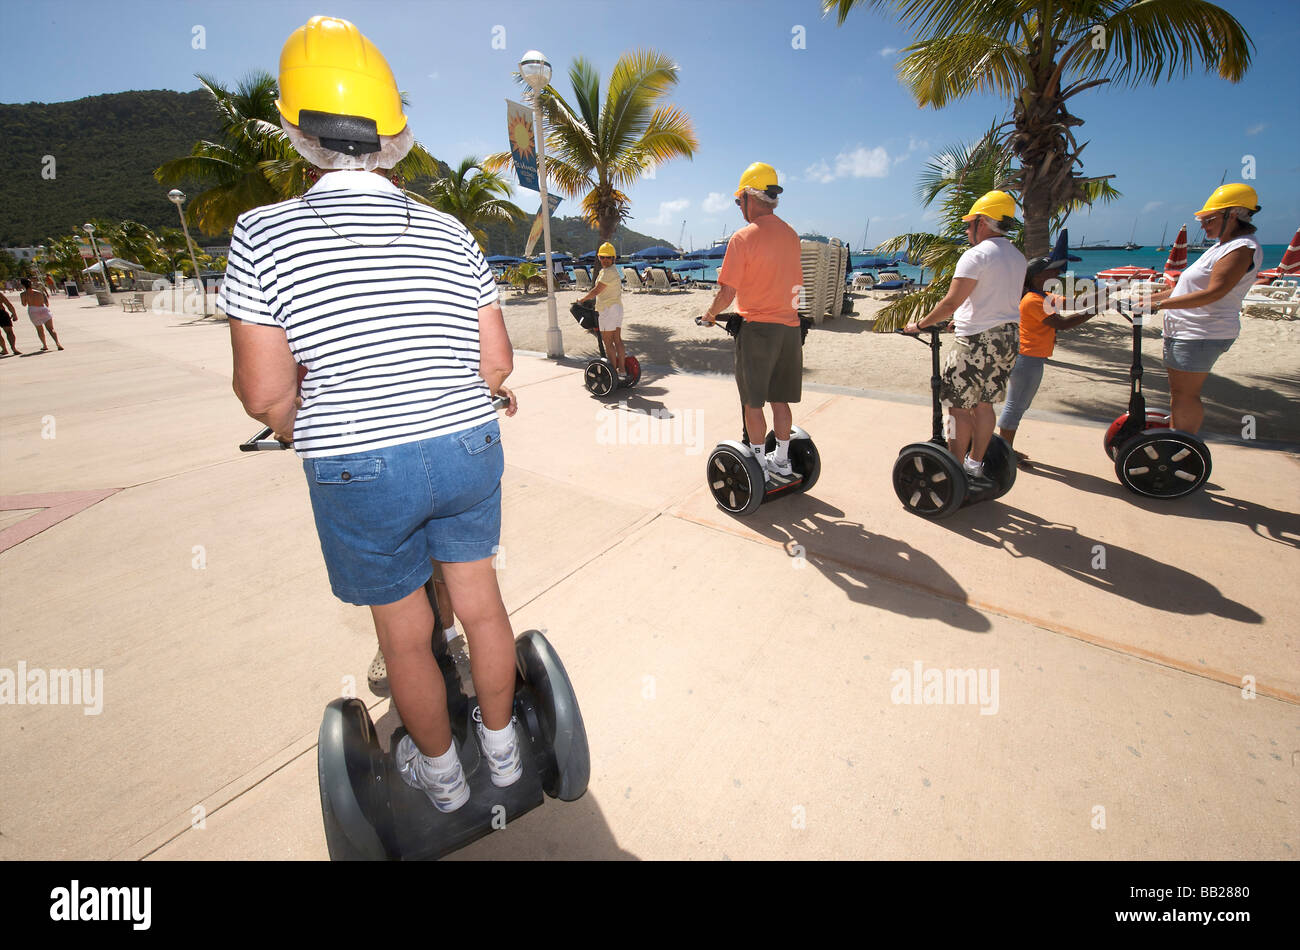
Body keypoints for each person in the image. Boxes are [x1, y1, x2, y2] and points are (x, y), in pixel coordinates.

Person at [223, 15, 523, 814]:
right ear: (394, 136)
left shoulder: (261, 232)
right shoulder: (450, 229)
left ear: (296, 131)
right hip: (465, 442)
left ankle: (445, 778)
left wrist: (313, 427)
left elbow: (264, 394)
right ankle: (503, 749)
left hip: (361, 467)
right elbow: (495, 365)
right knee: (482, 606)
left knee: (404, 635)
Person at [904, 190, 1026, 483]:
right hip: (1007, 337)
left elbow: (950, 301)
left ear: (982, 222)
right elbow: (992, 300)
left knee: (958, 407)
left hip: (977, 340)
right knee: (984, 404)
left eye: (970, 222)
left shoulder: (977, 255)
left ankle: (954, 470)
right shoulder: (1017, 256)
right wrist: (958, 322)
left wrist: (919, 325)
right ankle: (974, 464)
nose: (968, 228)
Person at [701, 162, 804, 480]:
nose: (739, 208)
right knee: (780, 399)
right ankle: (783, 461)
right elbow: (794, 286)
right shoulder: (791, 234)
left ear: (749, 196)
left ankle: (758, 463)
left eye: (738, 201)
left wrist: (710, 314)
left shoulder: (743, 238)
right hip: (790, 327)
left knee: (753, 402)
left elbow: (728, 290)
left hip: (758, 330)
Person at [1141, 183, 1263, 435]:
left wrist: (1161, 305)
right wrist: (1148, 301)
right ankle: (1176, 439)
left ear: (1234, 215)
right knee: (1178, 393)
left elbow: (1214, 293)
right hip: (1188, 331)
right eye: (1202, 219)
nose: (1203, 225)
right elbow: (1183, 289)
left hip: (1202, 333)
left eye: (1209, 219)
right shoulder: (1221, 246)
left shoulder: (1241, 249)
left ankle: (1182, 448)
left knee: (1185, 395)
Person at [996, 253, 1098, 466]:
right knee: (1015, 405)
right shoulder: (1033, 300)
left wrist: (1107, 294)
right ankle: (1004, 452)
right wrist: (1095, 310)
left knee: (1020, 405)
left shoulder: (1042, 296)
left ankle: (1005, 449)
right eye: (1050, 271)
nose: (1056, 273)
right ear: (1037, 276)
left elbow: (1073, 302)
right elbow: (1061, 324)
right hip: (1026, 358)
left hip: (1033, 358)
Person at [576, 242, 626, 375]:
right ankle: (622, 370)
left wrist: (582, 300)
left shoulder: (607, 273)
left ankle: (613, 373)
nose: (605, 260)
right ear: (598, 258)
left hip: (608, 310)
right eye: (602, 257)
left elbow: (596, 291)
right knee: (617, 340)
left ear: (613, 258)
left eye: (608, 257)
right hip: (617, 308)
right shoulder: (612, 270)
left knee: (608, 342)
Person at [19, 278, 63, 351]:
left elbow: (24, 304)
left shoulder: (23, 294)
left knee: (39, 330)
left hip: (33, 310)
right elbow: (46, 303)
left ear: (23, 285)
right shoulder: (39, 292)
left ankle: (45, 345)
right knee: (51, 329)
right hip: (43, 309)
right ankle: (57, 343)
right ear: (31, 284)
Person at [0, 290, 20, 356]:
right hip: (2, 313)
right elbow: (8, 304)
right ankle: (13, 348)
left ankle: (4, 349)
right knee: (9, 332)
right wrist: (14, 314)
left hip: (2, 313)